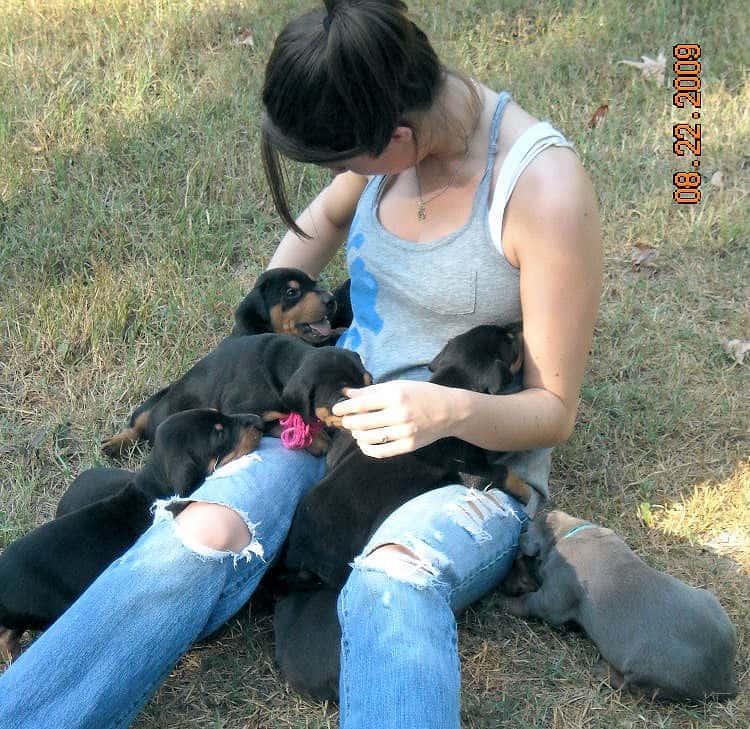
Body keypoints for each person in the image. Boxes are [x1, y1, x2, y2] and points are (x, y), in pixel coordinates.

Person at [0, 1, 601, 727]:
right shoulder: (385, 144)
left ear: (399, 138)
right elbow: (317, 225)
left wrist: (442, 408)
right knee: (202, 529)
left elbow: (554, 410)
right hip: (327, 424)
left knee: (393, 582)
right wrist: (271, 347)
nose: (342, 178)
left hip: (459, 461)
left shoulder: (543, 190)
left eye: (345, 162)